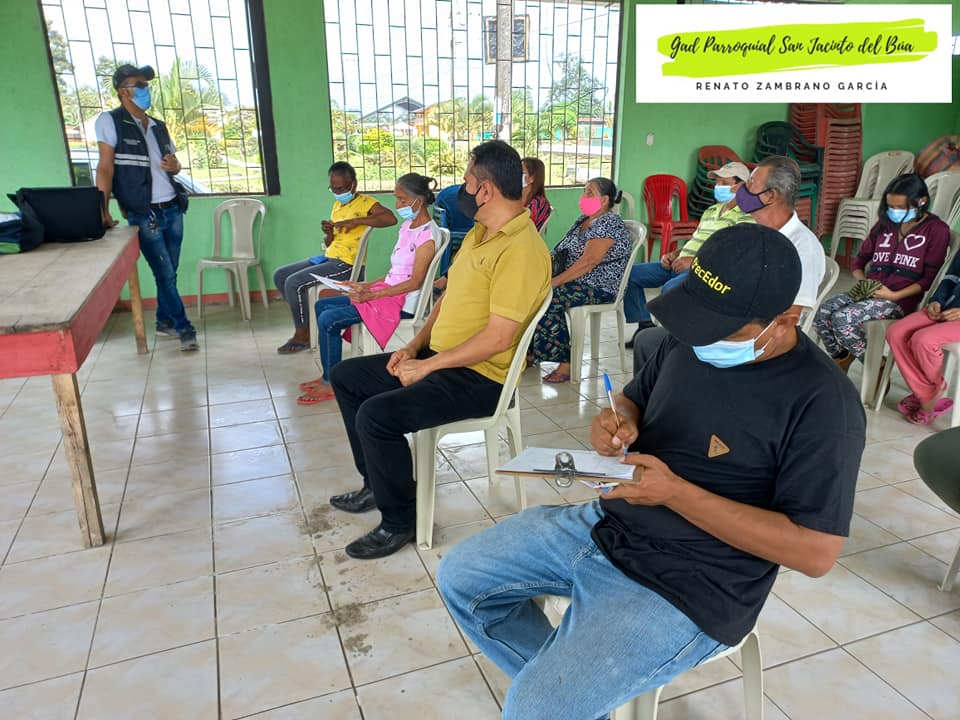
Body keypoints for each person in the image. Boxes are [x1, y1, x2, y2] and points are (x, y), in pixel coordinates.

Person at [437, 224, 866, 720]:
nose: (702, 337)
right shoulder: (688, 340)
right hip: (610, 525)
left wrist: (675, 494)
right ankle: (568, 696)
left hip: (696, 582)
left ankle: (558, 698)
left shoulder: (824, 405)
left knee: (534, 710)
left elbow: (815, 553)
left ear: (788, 316)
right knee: (461, 577)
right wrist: (615, 420)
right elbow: (632, 399)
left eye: (722, 327)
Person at [326, 140, 551, 560]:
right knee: (348, 377)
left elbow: (499, 338)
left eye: (467, 182)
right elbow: (449, 299)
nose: (461, 191)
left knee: (377, 416)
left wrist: (429, 368)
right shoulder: (481, 233)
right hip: (444, 359)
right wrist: (414, 347)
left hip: (482, 378)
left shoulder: (522, 249)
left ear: (486, 190)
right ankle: (377, 484)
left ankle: (399, 523)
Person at [632, 155, 826, 373]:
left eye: (750, 184)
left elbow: (787, 319)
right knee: (647, 342)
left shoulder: (802, 247)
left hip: (750, 344)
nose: (740, 190)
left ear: (770, 195)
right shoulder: (748, 232)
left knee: (665, 354)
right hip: (720, 324)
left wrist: (724, 336)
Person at [297, 173, 443, 404]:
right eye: (396, 198)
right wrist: (364, 285)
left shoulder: (428, 236)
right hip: (388, 292)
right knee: (322, 306)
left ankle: (330, 383)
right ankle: (328, 375)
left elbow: (415, 282)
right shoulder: (408, 226)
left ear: (420, 200)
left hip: (402, 302)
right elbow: (396, 273)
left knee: (329, 319)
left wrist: (373, 294)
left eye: (403, 200)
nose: (398, 206)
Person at [95, 64, 198, 352]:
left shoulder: (158, 126)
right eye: (139, 85)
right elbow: (105, 169)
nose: (145, 90)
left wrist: (175, 166)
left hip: (172, 207)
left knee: (170, 270)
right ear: (123, 91)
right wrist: (102, 210)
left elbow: (175, 165)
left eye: (147, 85)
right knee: (164, 272)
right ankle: (184, 327)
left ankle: (164, 321)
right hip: (143, 212)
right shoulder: (110, 121)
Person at [814, 173, 950, 373]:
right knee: (823, 312)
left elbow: (929, 279)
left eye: (900, 207)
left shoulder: (936, 230)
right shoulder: (884, 225)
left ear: (921, 201)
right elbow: (859, 261)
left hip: (900, 300)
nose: (894, 212)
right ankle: (842, 358)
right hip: (869, 292)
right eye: (890, 206)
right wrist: (864, 282)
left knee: (843, 318)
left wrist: (894, 295)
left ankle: (876, 367)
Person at [273, 162, 396, 354]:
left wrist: (356, 221)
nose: (338, 192)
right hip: (329, 258)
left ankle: (303, 335)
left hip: (346, 264)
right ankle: (308, 326)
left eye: (341, 188)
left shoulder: (366, 203)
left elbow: (390, 219)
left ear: (353, 184)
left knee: (294, 283)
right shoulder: (338, 205)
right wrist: (329, 232)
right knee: (280, 275)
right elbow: (330, 242)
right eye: (334, 189)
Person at [623, 161, 753, 343]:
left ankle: (673, 339)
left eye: (724, 183)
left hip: (704, 270)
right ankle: (645, 327)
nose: (718, 187)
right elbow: (694, 240)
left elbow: (730, 254)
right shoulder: (711, 210)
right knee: (631, 274)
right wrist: (674, 254)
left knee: (671, 290)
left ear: (741, 186)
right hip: (680, 263)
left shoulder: (746, 216)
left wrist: (694, 262)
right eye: (717, 182)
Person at [528, 178, 632, 383]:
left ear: (604, 200)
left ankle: (565, 364)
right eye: (584, 191)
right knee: (530, 290)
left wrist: (555, 282)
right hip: (578, 281)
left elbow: (589, 261)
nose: (584, 196)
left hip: (599, 286)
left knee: (550, 296)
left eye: (589, 192)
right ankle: (532, 352)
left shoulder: (608, 222)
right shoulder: (583, 220)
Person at [885, 244, 960, 425]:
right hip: (945, 307)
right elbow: (951, 277)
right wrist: (936, 300)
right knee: (895, 332)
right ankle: (929, 392)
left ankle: (926, 399)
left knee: (924, 340)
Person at [521, 156, 551, 232]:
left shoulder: (538, 203)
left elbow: (521, 227)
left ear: (532, 178)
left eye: (521, 172)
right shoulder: (518, 198)